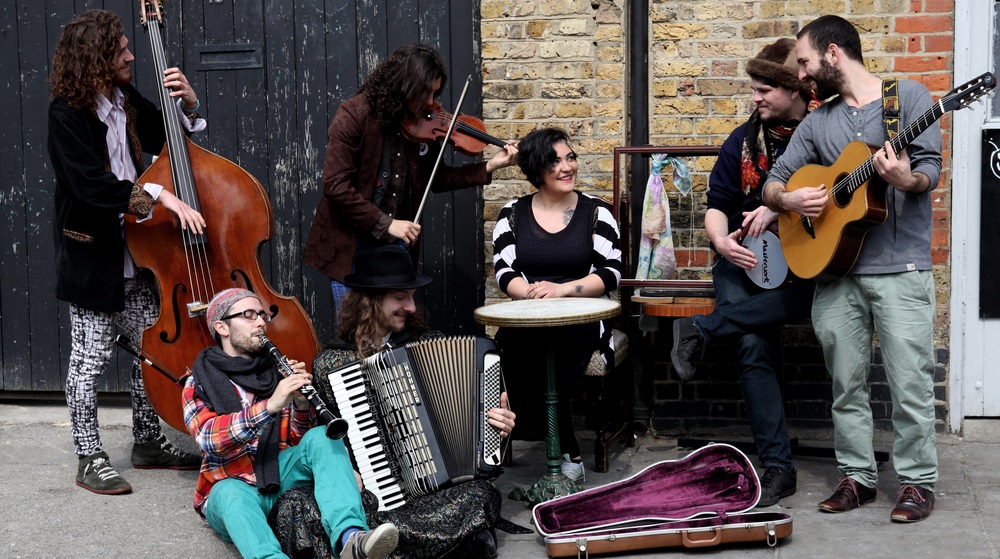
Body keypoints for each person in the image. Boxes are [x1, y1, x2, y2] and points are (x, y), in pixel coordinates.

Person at [763, 15, 942, 522]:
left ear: (833, 53)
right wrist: (790, 197)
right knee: (846, 386)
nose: (802, 74)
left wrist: (905, 180)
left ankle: (916, 483)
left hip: (900, 267)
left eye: (804, 62)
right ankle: (857, 477)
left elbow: (929, 170)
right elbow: (772, 183)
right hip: (836, 274)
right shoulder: (818, 122)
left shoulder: (907, 98)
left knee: (910, 383)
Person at [270, 245, 523, 559]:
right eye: (401, 297)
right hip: (370, 492)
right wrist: (347, 469)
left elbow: (479, 441)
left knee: (481, 494)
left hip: (435, 491)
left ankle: (385, 545)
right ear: (371, 301)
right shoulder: (331, 364)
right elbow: (328, 438)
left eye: (412, 296)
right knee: (296, 504)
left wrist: (499, 427)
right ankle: (431, 544)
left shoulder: (431, 345)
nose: (412, 307)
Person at [47, 9, 207, 495]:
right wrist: (160, 198)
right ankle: (88, 455)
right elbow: (89, 185)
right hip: (95, 255)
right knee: (89, 360)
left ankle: (147, 442)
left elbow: (170, 140)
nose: (131, 55)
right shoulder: (66, 113)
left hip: (139, 255)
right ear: (95, 57)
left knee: (147, 352)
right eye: (120, 49)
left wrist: (190, 105)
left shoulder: (125, 100)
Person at [668, 39, 818, 507]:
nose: (755, 98)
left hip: (804, 268)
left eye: (764, 89)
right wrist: (721, 242)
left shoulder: (824, 135)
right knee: (753, 342)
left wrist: (782, 211)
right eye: (753, 89)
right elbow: (718, 206)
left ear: (794, 90)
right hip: (744, 261)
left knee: (789, 307)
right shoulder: (743, 141)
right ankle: (778, 468)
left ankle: (703, 330)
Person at [302, 43, 519, 324]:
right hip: (352, 245)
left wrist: (490, 165)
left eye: (435, 93)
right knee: (357, 332)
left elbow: (435, 179)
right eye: (424, 92)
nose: (430, 102)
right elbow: (335, 185)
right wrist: (386, 223)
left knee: (395, 329)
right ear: (403, 85)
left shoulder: (420, 125)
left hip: (395, 248)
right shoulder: (354, 113)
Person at [182, 288, 400, 559]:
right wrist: (271, 405)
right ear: (221, 327)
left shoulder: (276, 372)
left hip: (277, 475)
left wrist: (301, 405)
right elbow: (208, 439)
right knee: (228, 494)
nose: (261, 322)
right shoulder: (199, 381)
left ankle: (350, 539)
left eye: (262, 315)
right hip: (231, 484)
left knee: (322, 436)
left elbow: (297, 444)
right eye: (249, 315)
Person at [491, 127, 623, 481]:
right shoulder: (512, 214)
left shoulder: (598, 212)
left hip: (584, 315)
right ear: (536, 171)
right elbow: (505, 272)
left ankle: (569, 455)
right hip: (530, 314)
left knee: (553, 347)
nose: (567, 168)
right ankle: (502, 441)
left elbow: (611, 273)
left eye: (570, 158)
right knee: (501, 349)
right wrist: (535, 297)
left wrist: (563, 292)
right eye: (555, 162)